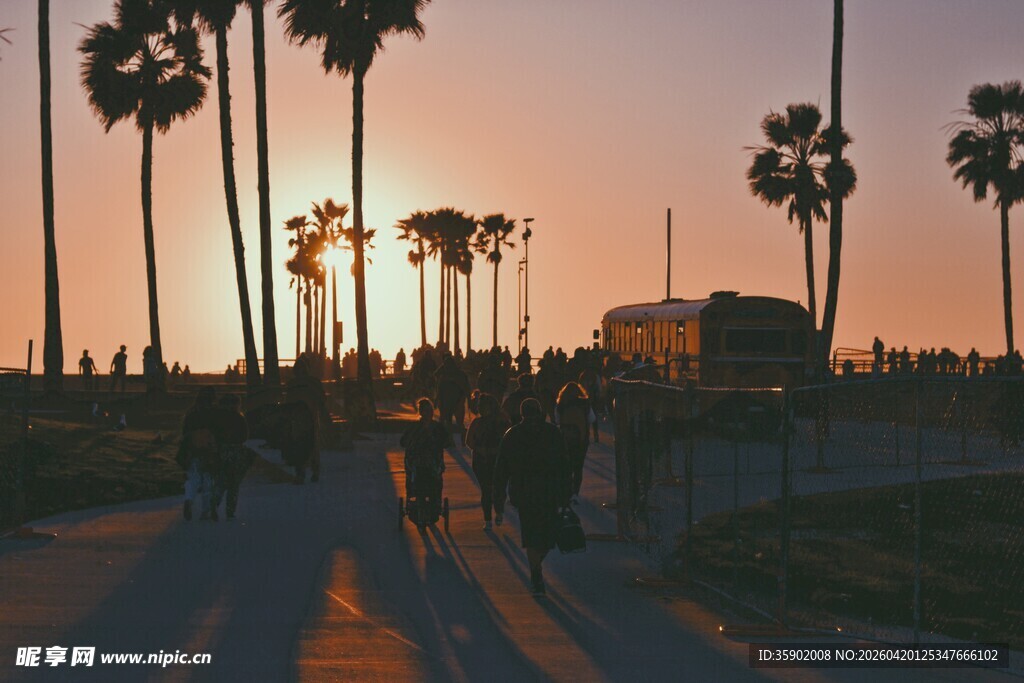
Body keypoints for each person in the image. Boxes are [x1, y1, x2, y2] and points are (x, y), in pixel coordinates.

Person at [494, 398, 571, 596]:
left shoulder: (512, 435)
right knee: (547, 537)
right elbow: (564, 465)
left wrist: (499, 499)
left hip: (524, 493)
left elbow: (501, 470)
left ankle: (536, 573)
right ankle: (537, 573)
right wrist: (566, 493)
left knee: (531, 536)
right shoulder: (552, 432)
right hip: (549, 492)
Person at [400, 399, 448, 527]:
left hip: (433, 461)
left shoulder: (438, 428)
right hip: (417, 461)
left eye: (430, 411)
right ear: (421, 412)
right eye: (425, 411)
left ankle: (435, 503)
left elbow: (446, 442)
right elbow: (403, 442)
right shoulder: (414, 428)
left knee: (435, 479)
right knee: (414, 478)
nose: (428, 413)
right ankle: (417, 501)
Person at [465, 393, 510, 530]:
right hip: (481, 460)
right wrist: (480, 449)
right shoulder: (476, 423)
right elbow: (469, 441)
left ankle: (499, 510)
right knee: (486, 489)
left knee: (499, 487)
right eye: (480, 406)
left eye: (484, 406)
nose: (481, 409)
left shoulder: (502, 421)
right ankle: (488, 519)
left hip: (497, 459)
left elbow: (507, 441)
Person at [178, 387, 219, 521]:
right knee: (208, 481)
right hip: (209, 451)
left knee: (193, 479)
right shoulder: (214, 413)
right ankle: (205, 510)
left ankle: (189, 499)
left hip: (192, 449)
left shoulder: (191, 413)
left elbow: (184, 432)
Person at [285, 357, 327, 483]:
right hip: (312, 417)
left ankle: (300, 473)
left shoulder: (292, 384)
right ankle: (315, 471)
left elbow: (287, 402)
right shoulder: (314, 383)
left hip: (297, 420)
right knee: (313, 445)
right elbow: (322, 400)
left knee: (298, 445)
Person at [210, 394, 250, 521]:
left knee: (221, 480)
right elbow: (244, 436)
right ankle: (230, 510)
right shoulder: (239, 418)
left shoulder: (217, 418)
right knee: (234, 482)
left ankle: (214, 502)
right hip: (235, 451)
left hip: (221, 450)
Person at [555, 382, 594, 500]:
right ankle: (575, 492)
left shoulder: (560, 403)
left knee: (566, 465)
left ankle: (566, 489)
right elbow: (592, 418)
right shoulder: (585, 403)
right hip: (581, 439)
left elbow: (557, 420)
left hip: (565, 438)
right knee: (578, 466)